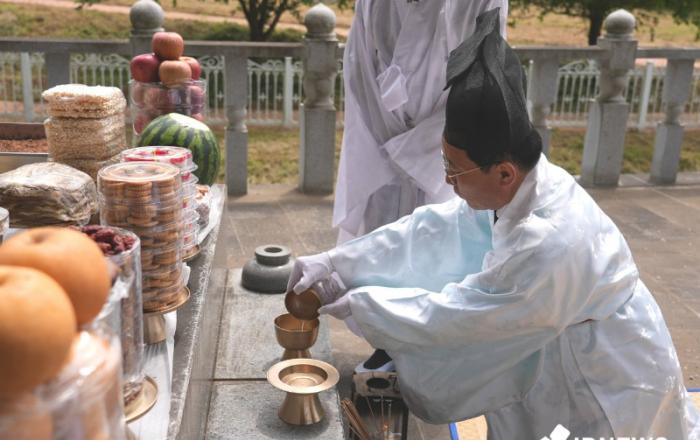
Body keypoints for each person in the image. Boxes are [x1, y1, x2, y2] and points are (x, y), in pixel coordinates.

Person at [288, 8, 700, 439]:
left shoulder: (551, 241)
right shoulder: (526, 186)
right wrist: (339, 263)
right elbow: (434, 231)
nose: (447, 180)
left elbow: (463, 317)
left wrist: (361, 304)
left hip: (605, 378)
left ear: (503, 172)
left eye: (454, 169)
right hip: (550, 345)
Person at [333, 0, 508, 244]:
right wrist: (391, 145)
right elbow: (359, 68)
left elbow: (483, 78)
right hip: (382, 155)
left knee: (438, 244)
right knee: (377, 245)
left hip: (442, 159)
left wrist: (415, 152)